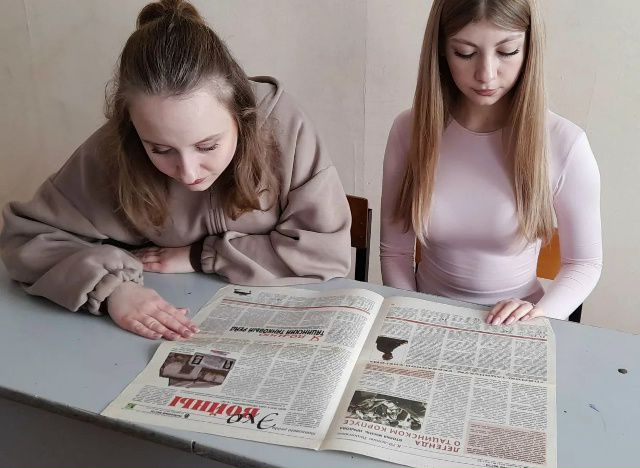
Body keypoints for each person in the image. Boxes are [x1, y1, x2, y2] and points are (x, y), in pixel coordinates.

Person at [0, 0, 351, 340]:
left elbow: (325, 254)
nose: (188, 173)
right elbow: (25, 240)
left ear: (241, 115)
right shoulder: (116, 146)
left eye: (207, 146)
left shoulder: (283, 128)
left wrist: (201, 256)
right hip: (142, 327)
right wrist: (112, 290)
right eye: (160, 149)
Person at [380, 0, 602, 325]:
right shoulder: (409, 131)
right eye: (465, 53)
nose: (486, 74)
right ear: (441, 50)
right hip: (426, 318)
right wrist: (413, 317)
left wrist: (539, 315)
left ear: (529, 48)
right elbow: (395, 252)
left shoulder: (564, 143)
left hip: (518, 326)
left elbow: (584, 264)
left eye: (507, 51)